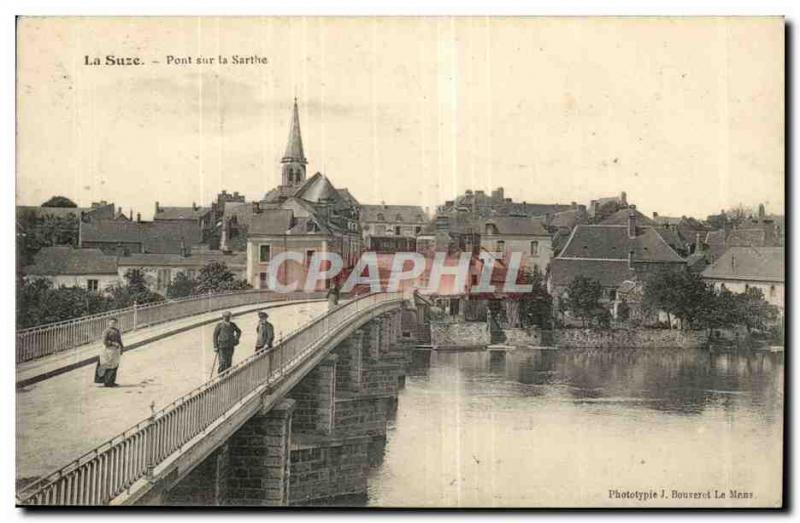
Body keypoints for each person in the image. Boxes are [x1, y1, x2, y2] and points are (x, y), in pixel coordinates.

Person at [94, 317, 123, 387]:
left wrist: (122, 347)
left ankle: (112, 381)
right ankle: (106, 382)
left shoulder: (117, 331)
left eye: (114, 323)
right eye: (111, 322)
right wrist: (113, 343)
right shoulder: (106, 331)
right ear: (109, 323)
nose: (113, 324)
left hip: (115, 351)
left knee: (114, 365)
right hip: (107, 350)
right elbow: (104, 341)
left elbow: (119, 340)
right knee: (107, 365)